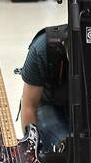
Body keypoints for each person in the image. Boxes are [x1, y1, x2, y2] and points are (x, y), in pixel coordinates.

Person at [19, 25, 70, 155]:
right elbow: (28, 105)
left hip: (90, 106)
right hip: (50, 104)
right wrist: (31, 156)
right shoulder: (42, 48)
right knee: (67, 150)